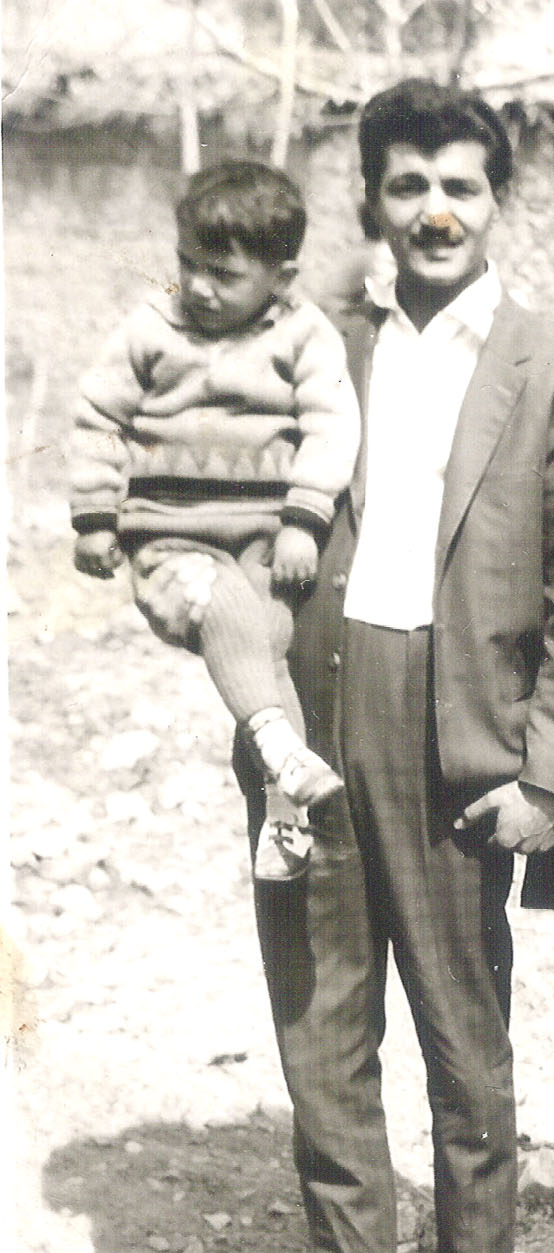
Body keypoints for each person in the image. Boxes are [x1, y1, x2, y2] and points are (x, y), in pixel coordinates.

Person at [246, 79, 554, 1253]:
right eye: (406, 185)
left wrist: (549, 777)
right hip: (318, 714)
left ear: (499, 199)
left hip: (465, 729)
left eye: (459, 185)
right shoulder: (306, 340)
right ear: (369, 198)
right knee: (322, 1016)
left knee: (467, 1038)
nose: (433, 211)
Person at [68, 161, 361, 883]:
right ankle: (279, 743)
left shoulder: (303, 334)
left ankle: (283, 824)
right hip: (170, 535)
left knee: (266, 644)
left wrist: (303, 518)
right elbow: (97, 415)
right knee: (222, 607)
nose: (198, 287)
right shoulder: (153, 328)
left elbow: (332, 424)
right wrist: (95, 516)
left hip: (265, 534)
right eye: (188, 265)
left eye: (223, 275)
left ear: (281, 277)